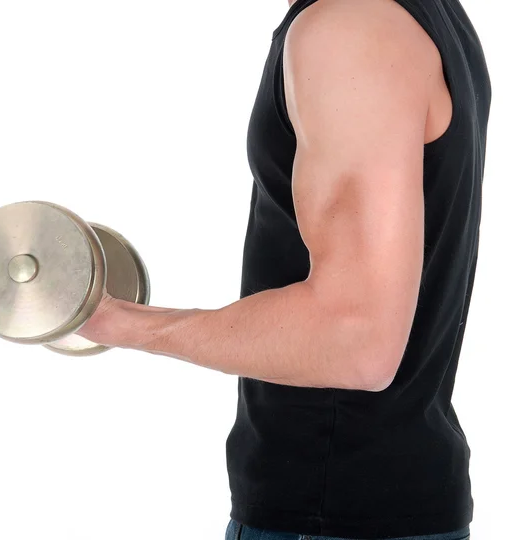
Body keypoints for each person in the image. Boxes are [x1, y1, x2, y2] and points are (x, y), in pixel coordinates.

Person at [77, 0, 491, 538]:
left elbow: (355, 339)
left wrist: (119, 322)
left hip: (330, 517)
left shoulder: (350, 28)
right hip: (380, 505)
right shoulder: (417, 13)